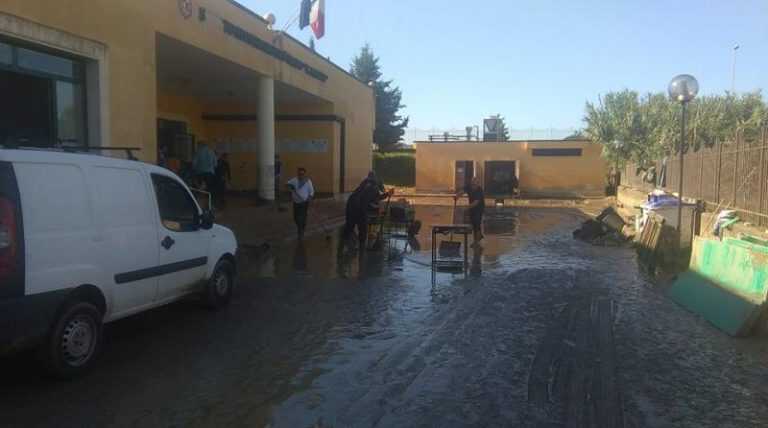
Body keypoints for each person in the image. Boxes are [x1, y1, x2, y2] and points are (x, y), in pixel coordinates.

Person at [343, 172, 392, 250]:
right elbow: (373, 199)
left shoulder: (364, 183)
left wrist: (386, 195)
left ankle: (343, 248)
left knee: (349, 226)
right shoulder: (374, 187)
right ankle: (361, 250)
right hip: (359, 208)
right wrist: (387, 195)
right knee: (362, 231)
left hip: (350, 205)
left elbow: (372, 198)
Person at [455, 176, 485, 246]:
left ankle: (476, 241)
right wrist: (457, 196)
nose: (474, 185)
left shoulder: (479, 190)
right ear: (471, 183)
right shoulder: (469, 187)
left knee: (477, 224)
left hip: (479, 208)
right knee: (473, 224)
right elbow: (462, 191)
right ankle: (479, 236)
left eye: (476, 183)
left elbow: (476, 202)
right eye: (473, 183)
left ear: (478, 184)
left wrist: (466, 208)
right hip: (472, 208)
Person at [287, 167, 315, 239]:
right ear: (297, 173)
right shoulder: (294, 180)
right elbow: (287, 184)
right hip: (296, 202)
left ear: (304, 174)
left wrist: (309, 198)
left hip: (304, 202)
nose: (300, 175)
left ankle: (300, 230)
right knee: (295, 217)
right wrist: (290, 186)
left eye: (302, 174)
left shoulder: (308, 181)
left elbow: (311, 191)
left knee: (301, 217)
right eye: (299, 173)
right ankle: (302, 226)